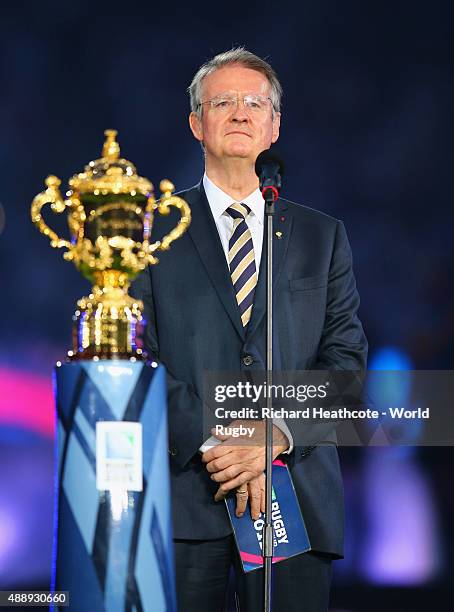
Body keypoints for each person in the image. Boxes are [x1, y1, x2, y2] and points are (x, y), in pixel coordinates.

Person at [132, 47, 367, 612]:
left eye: (255, 103)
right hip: (187, 501)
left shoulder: (322, 236)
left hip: (297, 507)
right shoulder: (152, 232)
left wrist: (275, 434)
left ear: (274, 125)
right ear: (196, 123)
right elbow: (137, 360)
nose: (240, 112)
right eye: (223, 102)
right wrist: (221, 444)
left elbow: (347, 369)